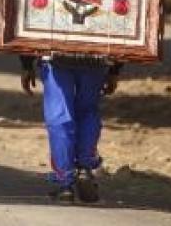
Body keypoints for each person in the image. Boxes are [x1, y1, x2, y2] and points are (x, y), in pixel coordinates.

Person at [20, 54, 121, 203]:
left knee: (59, 116)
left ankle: (65, 181)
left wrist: (27, 65)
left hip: (54, 58)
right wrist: (115, 70)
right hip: (95, 59)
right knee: (88, 112)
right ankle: (84, 168)